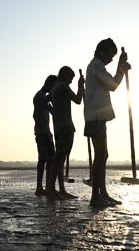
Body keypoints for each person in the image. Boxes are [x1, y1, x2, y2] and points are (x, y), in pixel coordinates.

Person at [84, 38, 130, 207]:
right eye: (110, 55)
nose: (111, 59)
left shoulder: (98, 66)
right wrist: (121, 67)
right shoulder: (96, 66)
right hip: (94, 117)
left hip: (97, 116)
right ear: (102, 51)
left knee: (103, 155)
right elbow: (113, 85)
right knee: (100, 155)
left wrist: (121, 67)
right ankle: (96, 196)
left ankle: (102, 193)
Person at [46, 66, 84, 199]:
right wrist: (80, 86)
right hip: (66, 128)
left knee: (59, 159)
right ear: (65, 76)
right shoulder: (63, 87)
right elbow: (78, 100)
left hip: (58, 127)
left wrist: (53, 111)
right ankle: (51, 189)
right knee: (59, 159)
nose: (71, 82)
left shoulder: (54, 88)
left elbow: (49, 104)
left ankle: (60, 189)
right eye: (71, 79)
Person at [33, 75, 57, 196]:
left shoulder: (44, 97)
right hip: (42, 132)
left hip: (46, 132)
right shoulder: (39, 96)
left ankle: (47, 187)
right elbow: (36, 114)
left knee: (47, 159)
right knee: (46, 159)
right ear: (49, 84)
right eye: (53, 86)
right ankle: (40, 187)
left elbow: (52, 111)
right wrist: (42, 130)